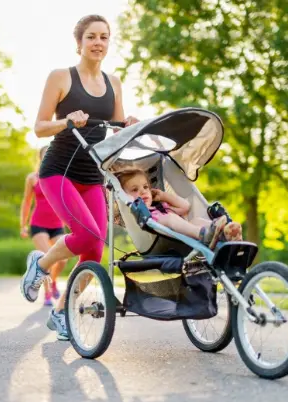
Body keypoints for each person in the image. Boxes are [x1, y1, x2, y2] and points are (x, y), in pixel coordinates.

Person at [19, 14, 140, 341]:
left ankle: (60, 313)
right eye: (91, 37)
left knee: (94, 249)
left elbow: (112, 132)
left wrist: (126, 124)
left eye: (104, 37)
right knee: (86, 235)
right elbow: (40, 126)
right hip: (59, 170)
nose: (98, 42)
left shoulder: (113, 83)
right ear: (79, 43)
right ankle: (41, 265)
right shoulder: (61, 77)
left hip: (92, 174)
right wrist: (67, 120)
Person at [115, 168, 243, 249]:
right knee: (171, 217)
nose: (143, 192)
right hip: (163, 241)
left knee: (196, 220)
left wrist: (164, 196)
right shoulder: (144, 215)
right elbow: (129, 202)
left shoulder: (161, 207)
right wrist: (127, 199)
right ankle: (205, 234)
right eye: (135, 189)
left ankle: (224, 233)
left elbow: (185, 207)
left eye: (145, 187)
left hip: (185, 232)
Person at [19, 146, 67, 306]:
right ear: (40, 158)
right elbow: (26, 202)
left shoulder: (61, 176)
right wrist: (22, 225)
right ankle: (47, 294)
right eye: (46, 154)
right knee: (48, 255)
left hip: (57, 224)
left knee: (63, 259)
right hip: (38, 223)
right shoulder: (32, 178)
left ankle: (52, 282)